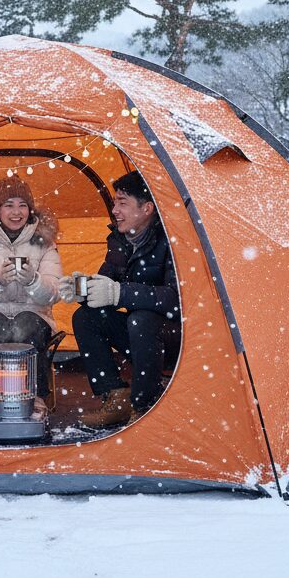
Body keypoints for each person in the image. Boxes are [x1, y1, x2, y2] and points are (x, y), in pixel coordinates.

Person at [59, 170, 180, 428]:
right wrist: (84, 291)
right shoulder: (120, 240)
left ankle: (143, 406)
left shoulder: (172, 240)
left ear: (147, 208)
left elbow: (177, 299)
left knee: (142, 319)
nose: (115, 210)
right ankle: (116, 397)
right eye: (115, 203)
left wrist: (119, 293)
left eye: (122, 203)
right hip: (141, 340)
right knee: (86, 317)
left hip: (179, 341)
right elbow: (107, 283)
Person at [0, 177, 62, 420]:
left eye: (22, 205)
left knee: (28, 324)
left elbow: (55, 291)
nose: (16, 212)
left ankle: (35, 397)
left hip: (34, 314)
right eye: (8, 205)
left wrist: (33, 281)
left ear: (30, 209)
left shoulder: (44, 242)